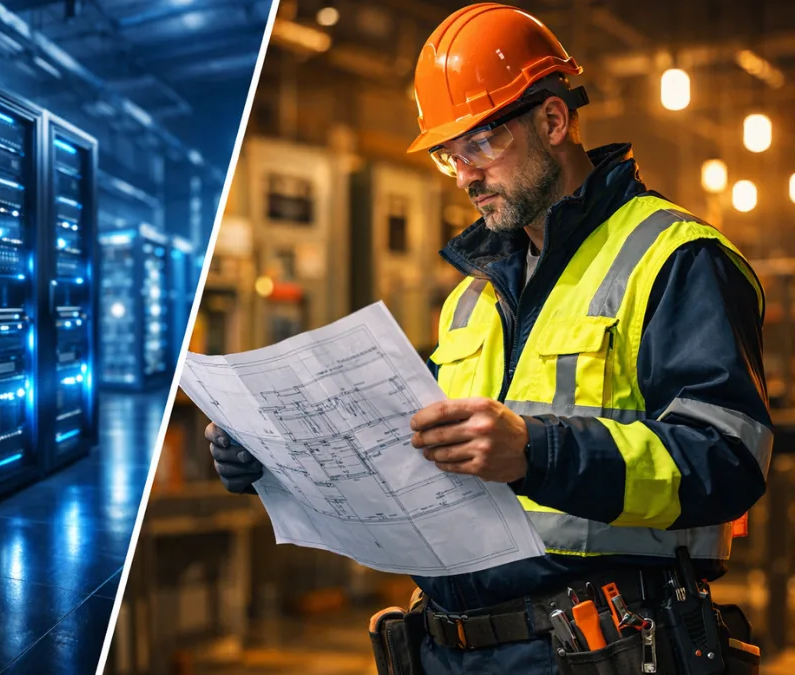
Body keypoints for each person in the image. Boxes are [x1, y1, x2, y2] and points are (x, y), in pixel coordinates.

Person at [204, 3, 772, 672]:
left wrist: (537, 451)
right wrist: (270, 453)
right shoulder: (472, 300)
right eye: (451, 155)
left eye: (479, 144)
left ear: (553, 120)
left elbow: (728, 457)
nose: (466, 174)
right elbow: (404, 453)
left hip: (596, 646)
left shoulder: (672, 256)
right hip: (455, 649)